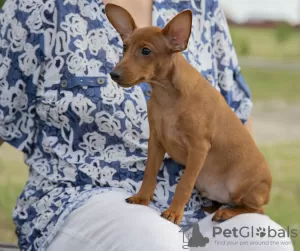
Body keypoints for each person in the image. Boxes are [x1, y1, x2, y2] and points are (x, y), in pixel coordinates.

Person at [0, 0, 294, 250]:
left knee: (269, 241)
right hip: (81, 200)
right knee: (157, 242)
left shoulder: (199, 5)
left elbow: (237, 113)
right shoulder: (41, 8)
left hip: (198, 212)